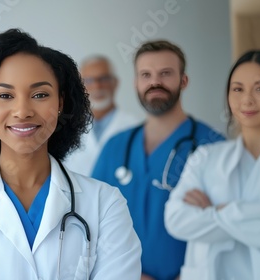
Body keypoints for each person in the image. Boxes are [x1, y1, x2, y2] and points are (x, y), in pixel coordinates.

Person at [0, 29, 141, 280]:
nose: (23, 111)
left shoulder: (106, 205)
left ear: (60, 103)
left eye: (40, 95)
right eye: (5, 95)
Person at [92, 40, 225, 280]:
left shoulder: (213, 146)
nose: (155, 82)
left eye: (165, 73)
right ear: (136, 83)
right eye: (146, 75)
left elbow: (227, 225)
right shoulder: (116, 147)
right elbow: (90, 219)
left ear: (183, 81)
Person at [164, 50, 260, 280]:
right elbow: (176, 221)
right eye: (237, 89)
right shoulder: (206, 157)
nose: (247, 99)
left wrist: (212, 212)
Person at [64, 55, 139, 176]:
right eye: (88, 80)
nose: (97, 86)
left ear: (115, 83)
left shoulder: (133, 127)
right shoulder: (66, 127)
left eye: (103, 79)